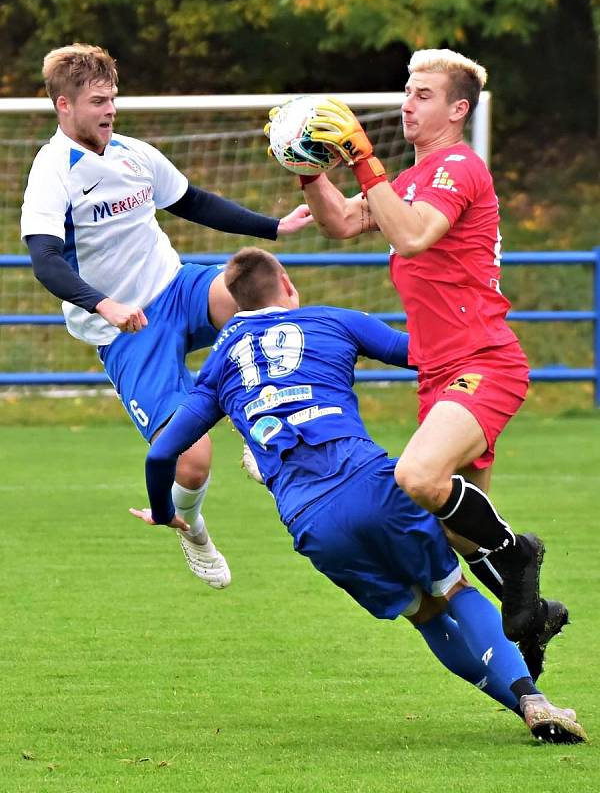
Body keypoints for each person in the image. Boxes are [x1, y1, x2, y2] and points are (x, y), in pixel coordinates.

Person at [130, 247, 586, 744]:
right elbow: (421, 355)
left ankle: (526, 705)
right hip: (372, 483)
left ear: (234, 303)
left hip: (311, 521)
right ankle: (534, 694)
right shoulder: (331, 320)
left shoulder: (218, 365)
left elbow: (160, 457)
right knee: (453, 589)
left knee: (425, 615)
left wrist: (163, 511)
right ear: (285, 281)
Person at [268, 48, 565, 660]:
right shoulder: (412, 178)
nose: (407, 103)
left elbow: (413, 235)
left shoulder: (458, 166)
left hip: (484, 360)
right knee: (458, 529)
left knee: (416, 477)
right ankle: (533, 615)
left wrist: (364, 158)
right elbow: (343, 224)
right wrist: (309, 169)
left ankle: (520, 557)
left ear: (458, 110)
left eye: (423, 94)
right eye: (406, 91)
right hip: (441, 372)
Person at [20, 44, 312, 589]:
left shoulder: (134, 153)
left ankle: (258, 423)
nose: (110, 110)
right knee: (192, 460)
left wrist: (274, 227)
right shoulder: (52, 171)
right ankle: (194, 529)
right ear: (64, 105)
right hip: (125, 331)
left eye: (113, 98)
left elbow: (194, 202)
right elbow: (44, 259)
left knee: (259, 284)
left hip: (176, 288)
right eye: (97, 101)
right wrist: (103, 304)